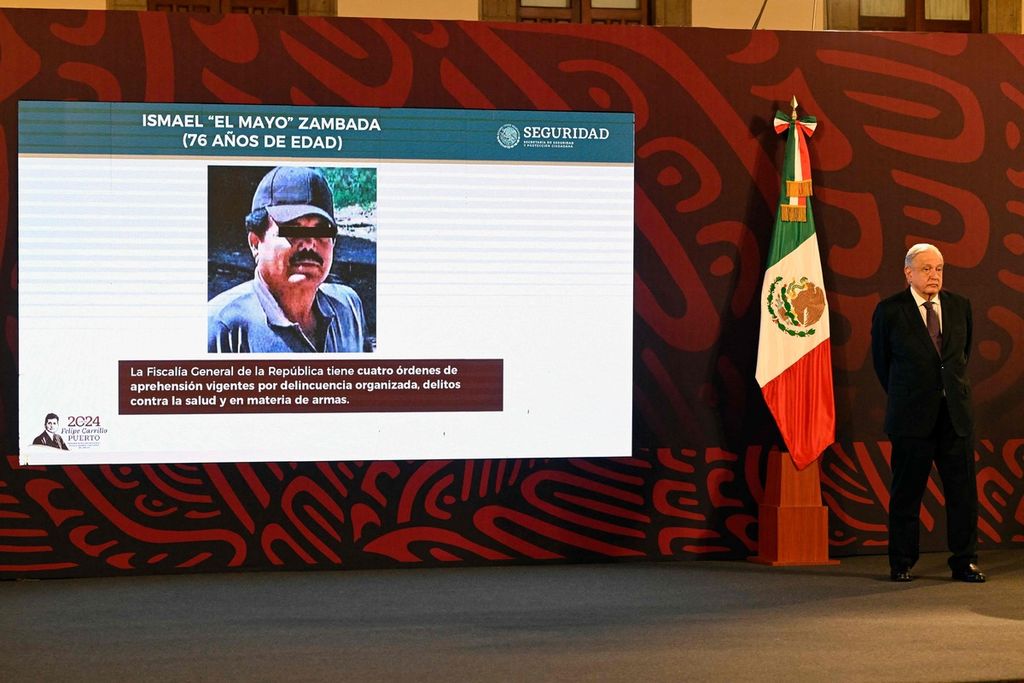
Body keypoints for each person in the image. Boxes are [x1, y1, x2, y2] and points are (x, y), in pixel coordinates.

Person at [871, 243, 984, 583]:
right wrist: (910, 396)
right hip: (911, 418)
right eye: (926, 269)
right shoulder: (890, 311)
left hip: (955, 417)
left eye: (938, 269)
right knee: (907, 494)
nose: (933, 275)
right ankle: (902, 562)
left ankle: (964, 562)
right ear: (908, 273)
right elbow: (882, 364)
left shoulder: (960, 306)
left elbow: (960, 356)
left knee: (963, 495)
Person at [208, 166, 367, 353]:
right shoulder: (221, 326)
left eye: (321, 230)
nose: (309, 244)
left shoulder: (348, 308)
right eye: (292, 229)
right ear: (255, 243)